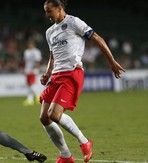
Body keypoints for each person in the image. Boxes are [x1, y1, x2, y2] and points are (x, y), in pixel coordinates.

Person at [39, 0, 125, 163]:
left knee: (54, 115)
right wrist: (47, 73)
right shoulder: (49, 32)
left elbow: (98, 39)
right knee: (44, 118)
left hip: (72, 73)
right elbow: (52, 55)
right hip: (56, 76)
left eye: (49, 11)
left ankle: (84, 141)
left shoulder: (73, 22)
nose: (47, 14)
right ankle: (66, 156)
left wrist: (112, 62)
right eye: (45, 11)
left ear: (59, 9)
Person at [23, 40, 43, 106]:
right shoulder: (26, 52)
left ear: (33, 45)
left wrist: (35, 69)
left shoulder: (36, 52)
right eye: (29, 44)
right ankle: (30, 100)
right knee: (29, 85)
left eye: (31, 44)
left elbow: (38, 61)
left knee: (32, 84)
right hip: (27, 70)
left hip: (33, 70)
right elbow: (26, 61)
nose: (30, 45)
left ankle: (38, 96)